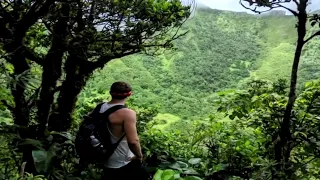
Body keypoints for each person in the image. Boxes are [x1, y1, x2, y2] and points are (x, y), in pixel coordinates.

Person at [101, 81, 150, 180]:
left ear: (110, 93)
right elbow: (133, 141)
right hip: (123, 160)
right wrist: (139, 156)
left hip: (104, 155)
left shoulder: (101, 107)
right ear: (129, 95)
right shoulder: (127, 114)